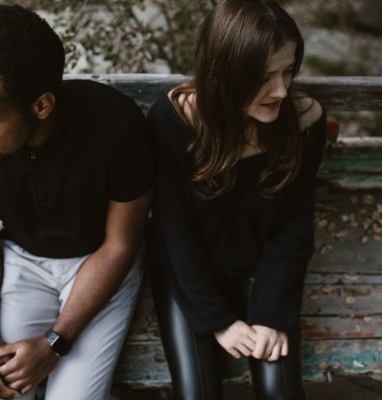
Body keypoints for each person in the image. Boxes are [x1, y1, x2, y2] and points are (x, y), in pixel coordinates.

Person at [0, 5, 154, 400]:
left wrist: (55, 341)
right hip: (23, 260)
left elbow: (120, 244)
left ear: (41, 106)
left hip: (100, 262)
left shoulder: (117, 126)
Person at [147, 0, 326, 399]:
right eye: (265, 76)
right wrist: (219, 321)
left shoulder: (304, 120)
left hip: (263, 273)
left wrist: (271, 315)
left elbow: (293, 225)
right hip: (190, 278)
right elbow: (174, 231)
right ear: (226, 72)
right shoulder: (174, 119)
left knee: (281, 393)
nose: (280, 90)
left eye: (288, 71)